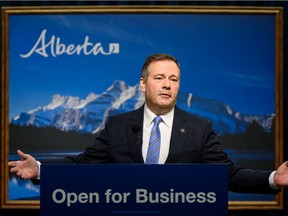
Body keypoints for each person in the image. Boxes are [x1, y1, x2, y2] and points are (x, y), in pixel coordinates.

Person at [8, 53, 288, 193]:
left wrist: (272, 178)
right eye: (159, 78)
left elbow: (227, 175)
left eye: (174, 79)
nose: (167, 85)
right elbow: (83, 166)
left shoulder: (199, 127)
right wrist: (41, 170)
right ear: (142, 84)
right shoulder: (117, 125)